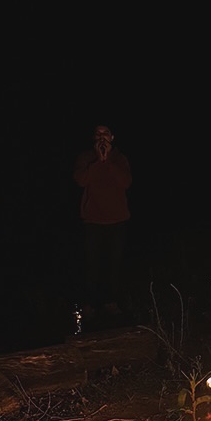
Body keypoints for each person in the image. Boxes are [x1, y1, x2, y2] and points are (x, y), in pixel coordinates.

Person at [73, 123, 132, 324]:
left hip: (117, 220)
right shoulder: (85, 158)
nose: (101, 137)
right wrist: (99, 161)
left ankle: (111, 302)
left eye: (105, 133)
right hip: (93, 220)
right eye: (98, 134)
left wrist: (108, 162)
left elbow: (126, 182)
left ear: (112, 137)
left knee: (113, 264)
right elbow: (81, 180)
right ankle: (90, 305)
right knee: (91, 265)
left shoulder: (120, 158)